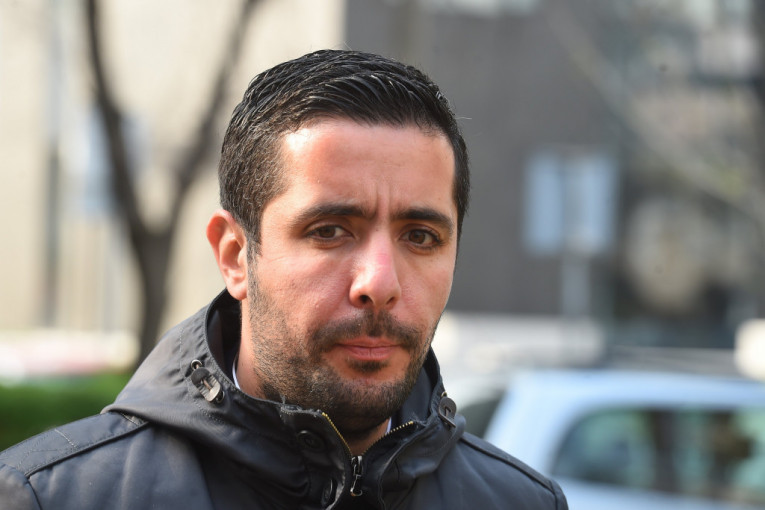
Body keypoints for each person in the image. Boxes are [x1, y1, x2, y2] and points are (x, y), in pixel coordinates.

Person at [0, 49, 567, 509]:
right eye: (330, 231)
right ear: (234, 255)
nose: (379, 282)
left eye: (420, 236)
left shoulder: (522, 503)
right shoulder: (54, 498)